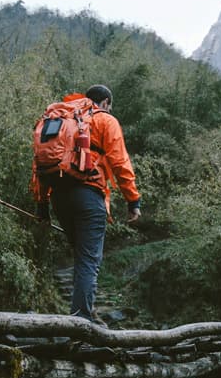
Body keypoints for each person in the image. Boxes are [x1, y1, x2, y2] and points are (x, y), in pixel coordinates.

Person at [32, 84, 140, 321]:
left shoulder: (58, 119)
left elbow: (39, 165)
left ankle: (84, 312)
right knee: (88, 261)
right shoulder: (104, 120)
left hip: (59, 197)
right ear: (105, 103)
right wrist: (133, 200)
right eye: (109, 106)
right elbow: (120, 162)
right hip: (89, 196)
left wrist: (42, 206)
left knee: (82, 257)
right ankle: (81, 323)